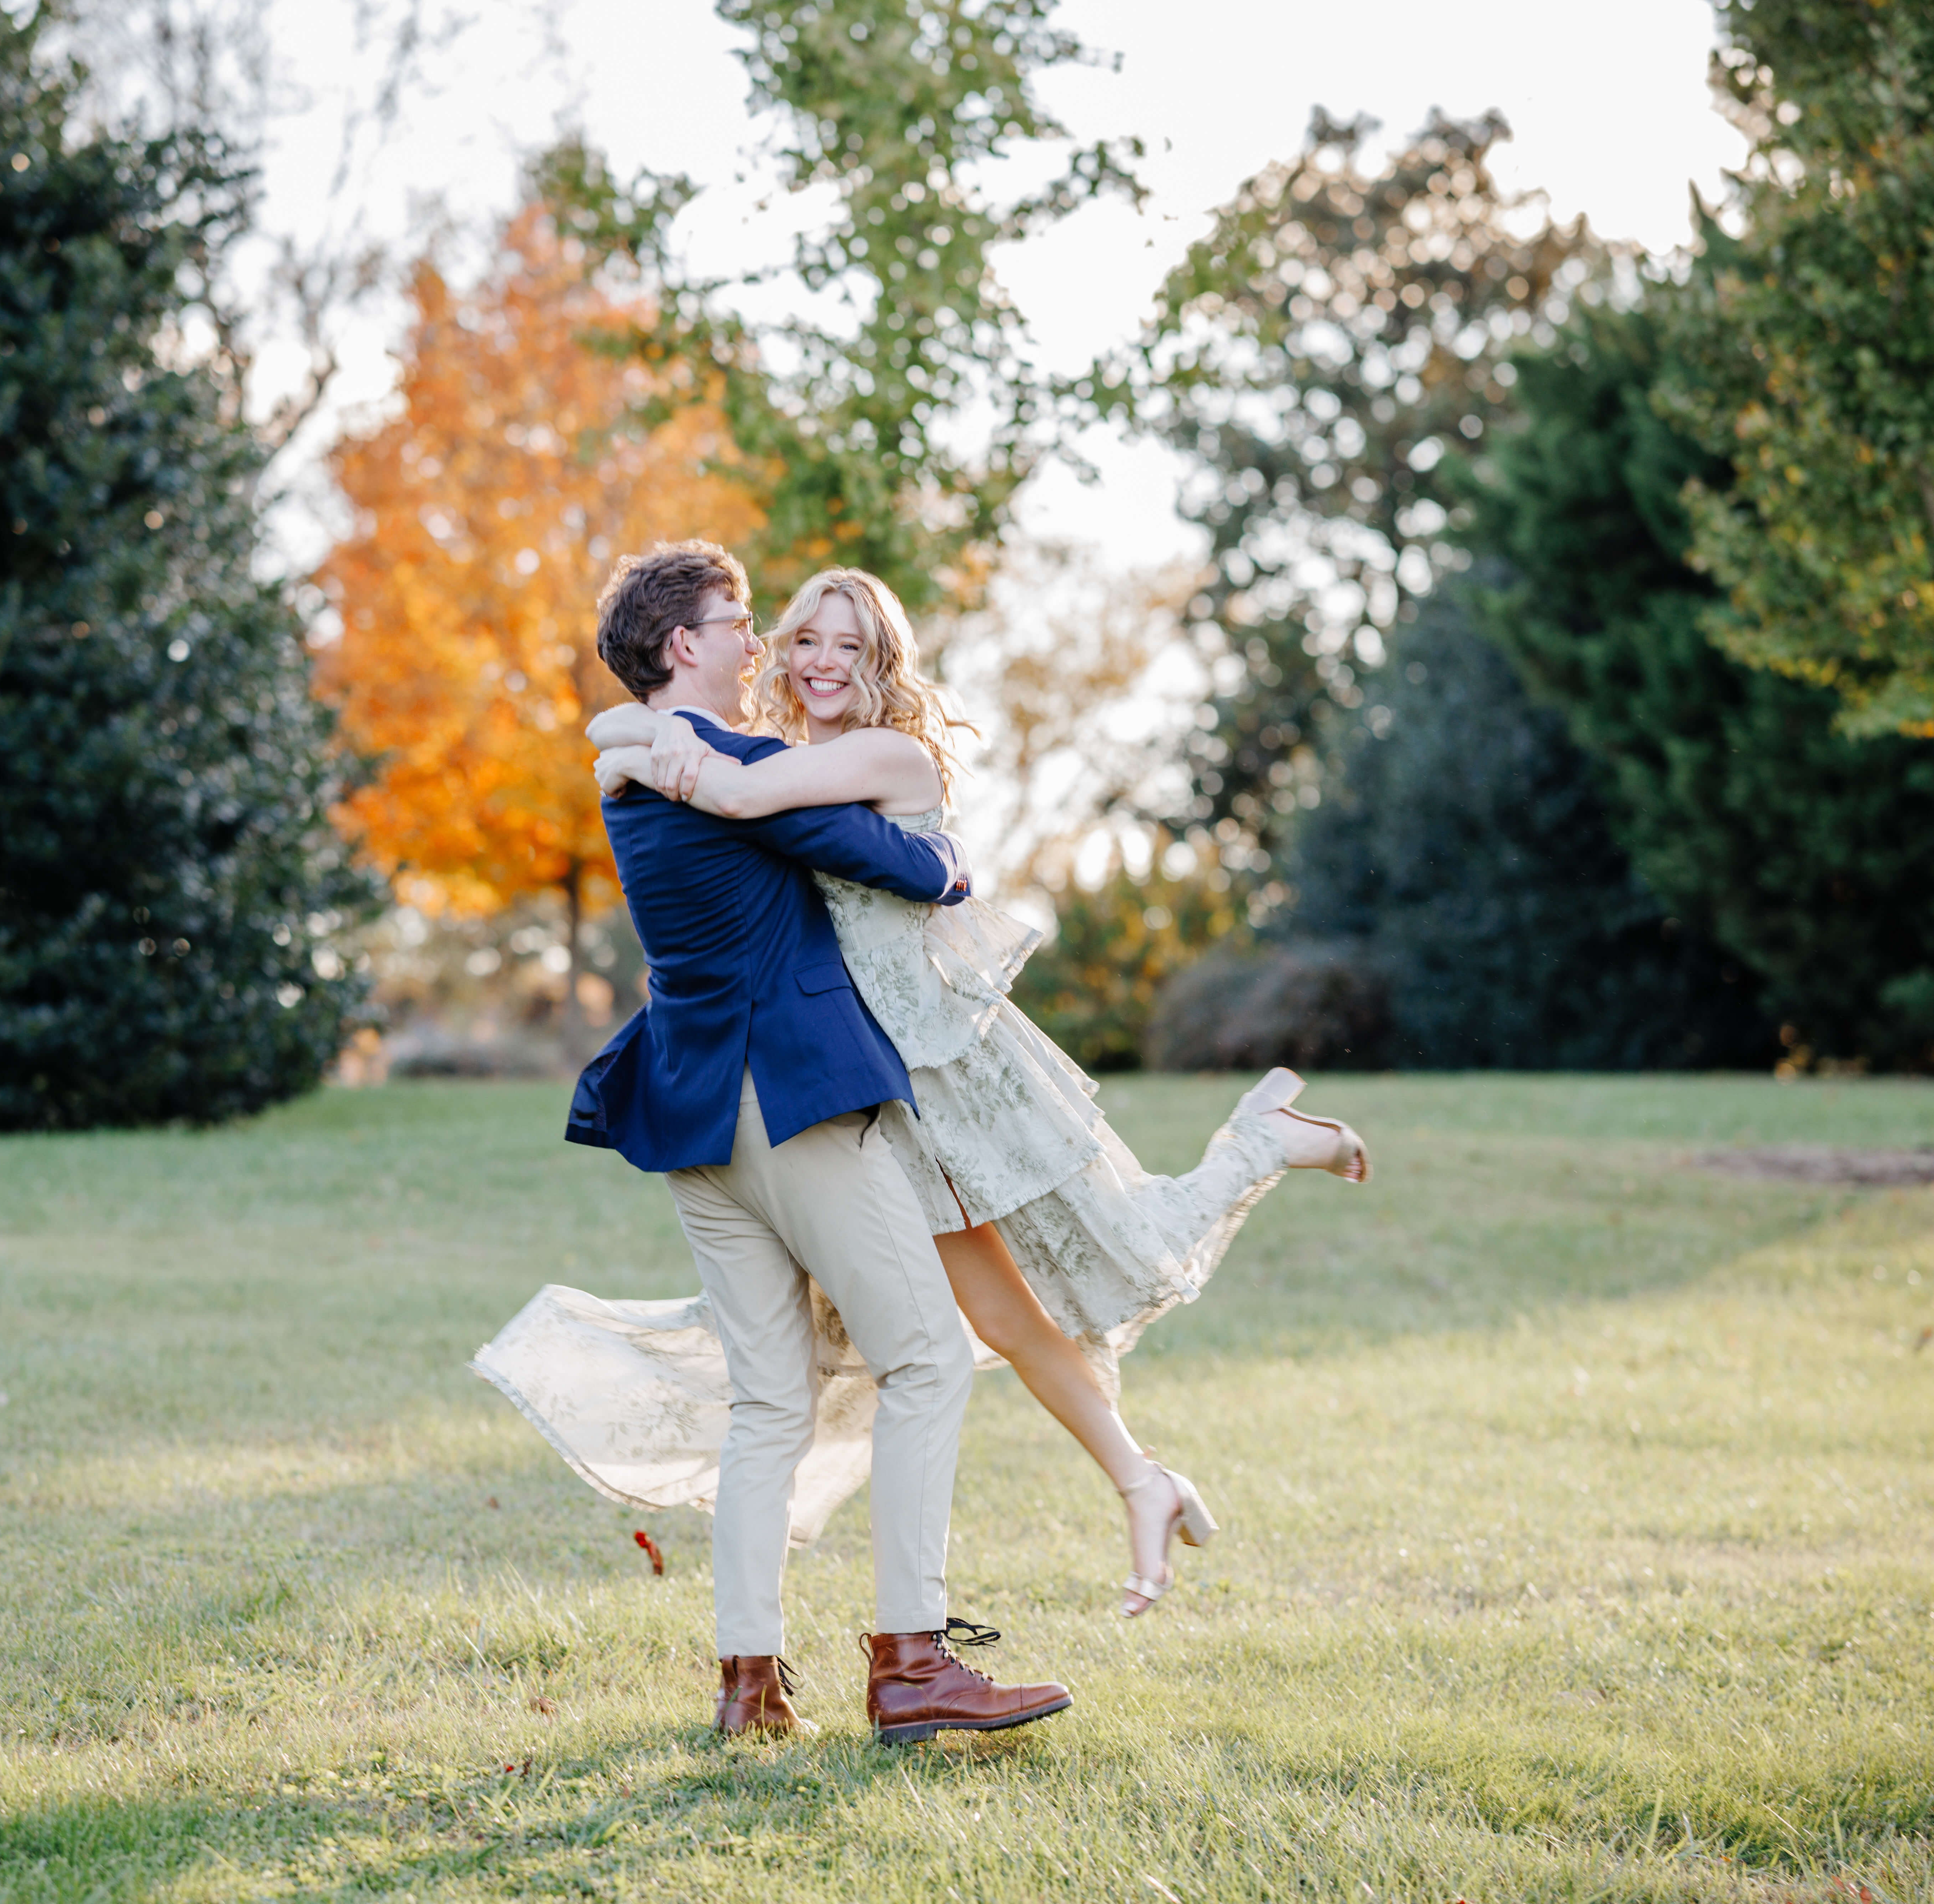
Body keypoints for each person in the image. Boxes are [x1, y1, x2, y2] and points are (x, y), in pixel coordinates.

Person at [476, 567, 1367, 1626]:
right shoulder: (783, 757)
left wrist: (658, 746)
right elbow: (701, 766)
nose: (812, 661)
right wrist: (637, 734)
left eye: (849, 648)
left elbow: (769, 806)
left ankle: (1259, 1140)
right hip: (874, 1087)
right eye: (802, 638)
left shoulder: (865, 758)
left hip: (949, 1069)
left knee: (1115, 1257)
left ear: (882, 664)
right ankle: (1142, 1482)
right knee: (1008, 1321)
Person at [513, 540, 1074, 1746]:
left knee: (772, 1401)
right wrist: (948, 858)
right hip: (792, 1101)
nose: (757, 642)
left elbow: (631, 744)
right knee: (924, 1357)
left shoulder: (637, 767)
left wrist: (639, 736)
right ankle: (914, 1666)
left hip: (697, 1118)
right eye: (740, 623)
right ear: (685, 648)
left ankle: (750, 1684)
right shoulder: (733, 765)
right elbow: (915, 869)